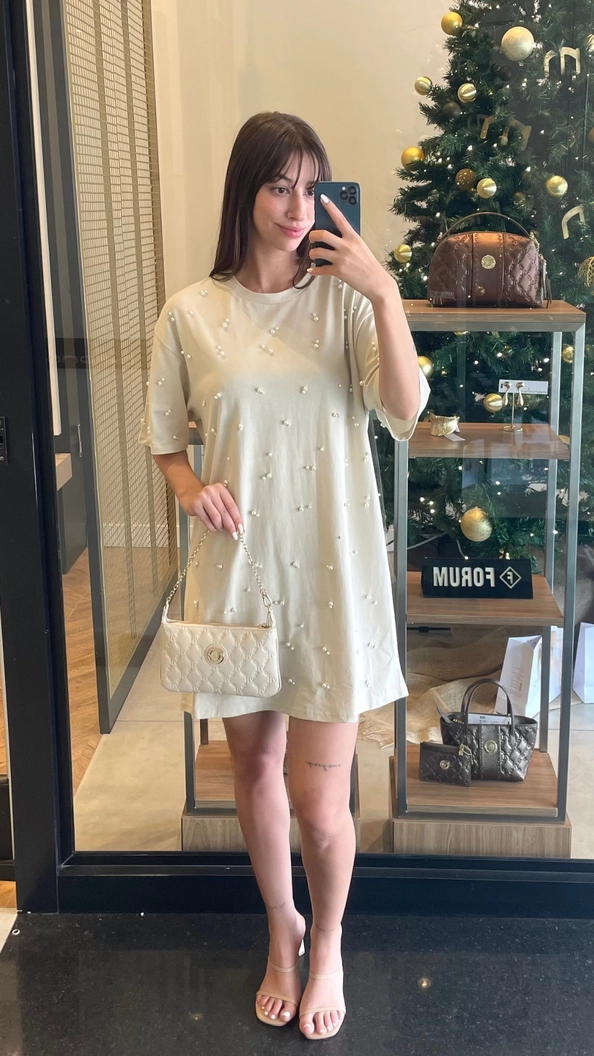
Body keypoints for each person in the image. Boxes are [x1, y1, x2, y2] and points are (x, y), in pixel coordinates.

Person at [139, 111, 429, 1041]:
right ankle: (283, 929)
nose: (299, 207)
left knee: (321, 798)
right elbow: (165, 440)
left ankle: (330, 939)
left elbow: (406, 411)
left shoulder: (346, 302)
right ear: (246, 193)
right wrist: (191, 490)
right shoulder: (190, 313)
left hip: (332, 580)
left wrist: (384, 292)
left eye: (312, 187)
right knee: (255, 769)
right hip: (236, 576)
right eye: (278, 186)